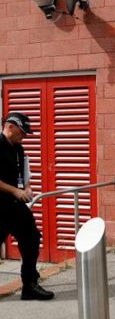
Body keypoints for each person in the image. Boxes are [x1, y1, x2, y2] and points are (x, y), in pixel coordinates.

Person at [0, 112, 54, 300]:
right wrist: (15, 191)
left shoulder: (18, 149)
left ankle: (30, 285)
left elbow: (23, 174)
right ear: (10, 126)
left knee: (31, 239)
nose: (24, 136)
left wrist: (27, 187)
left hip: (15, 206)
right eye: (22, 132)